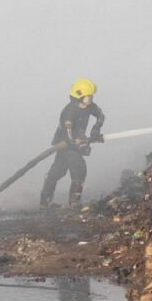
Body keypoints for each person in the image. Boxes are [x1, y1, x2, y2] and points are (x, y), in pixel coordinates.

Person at [40, 78, 105, 209]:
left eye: (91, 96)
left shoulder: (89, 106)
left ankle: (45, 201)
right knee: (79, 166)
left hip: (75, 142)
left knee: (58, 171)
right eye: (88, 96)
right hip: (64, 143)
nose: (91, 98)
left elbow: (100, 116)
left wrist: (96, 129)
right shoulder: (69, 112)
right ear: (79, 96)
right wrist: (80, 147)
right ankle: (74, 202)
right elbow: (68, 136)